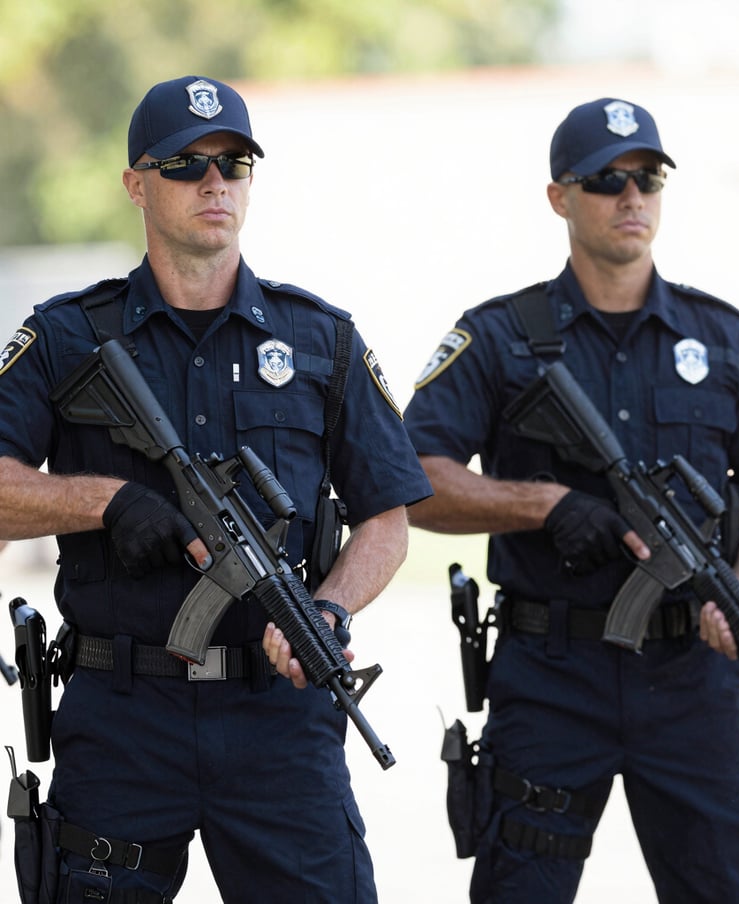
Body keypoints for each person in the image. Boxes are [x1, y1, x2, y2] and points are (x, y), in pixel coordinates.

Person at [0, 75, 431, 903]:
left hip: (279, 718)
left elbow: (387, 518)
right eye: (186, 164)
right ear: (135, 183)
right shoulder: (66, 334)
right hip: (122, 717)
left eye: (233, 163)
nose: (214, 182)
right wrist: (106, 502)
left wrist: (332, 610)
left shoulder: (321, 339)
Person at [403, 97, 739, 903]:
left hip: (693, 680)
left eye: (649, 177)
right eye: (606, 180)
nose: (632, 197)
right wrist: (544, 506)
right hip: (551, 674)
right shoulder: (498, 337)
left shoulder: (730, 341)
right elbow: (413, 476)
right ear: (560, 197)